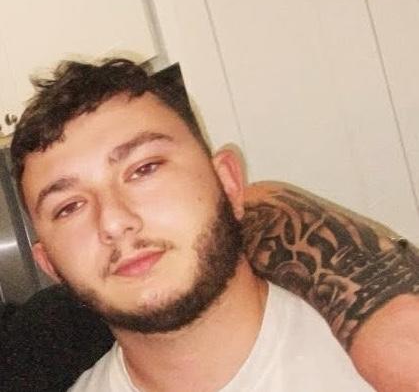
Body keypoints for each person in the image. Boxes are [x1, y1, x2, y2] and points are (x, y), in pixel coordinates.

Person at [10, 58, 419, 391]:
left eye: (144, 169)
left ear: (228, 181)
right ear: (50, 265)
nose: (114, 221)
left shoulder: (383, 359)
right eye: (69, 207)